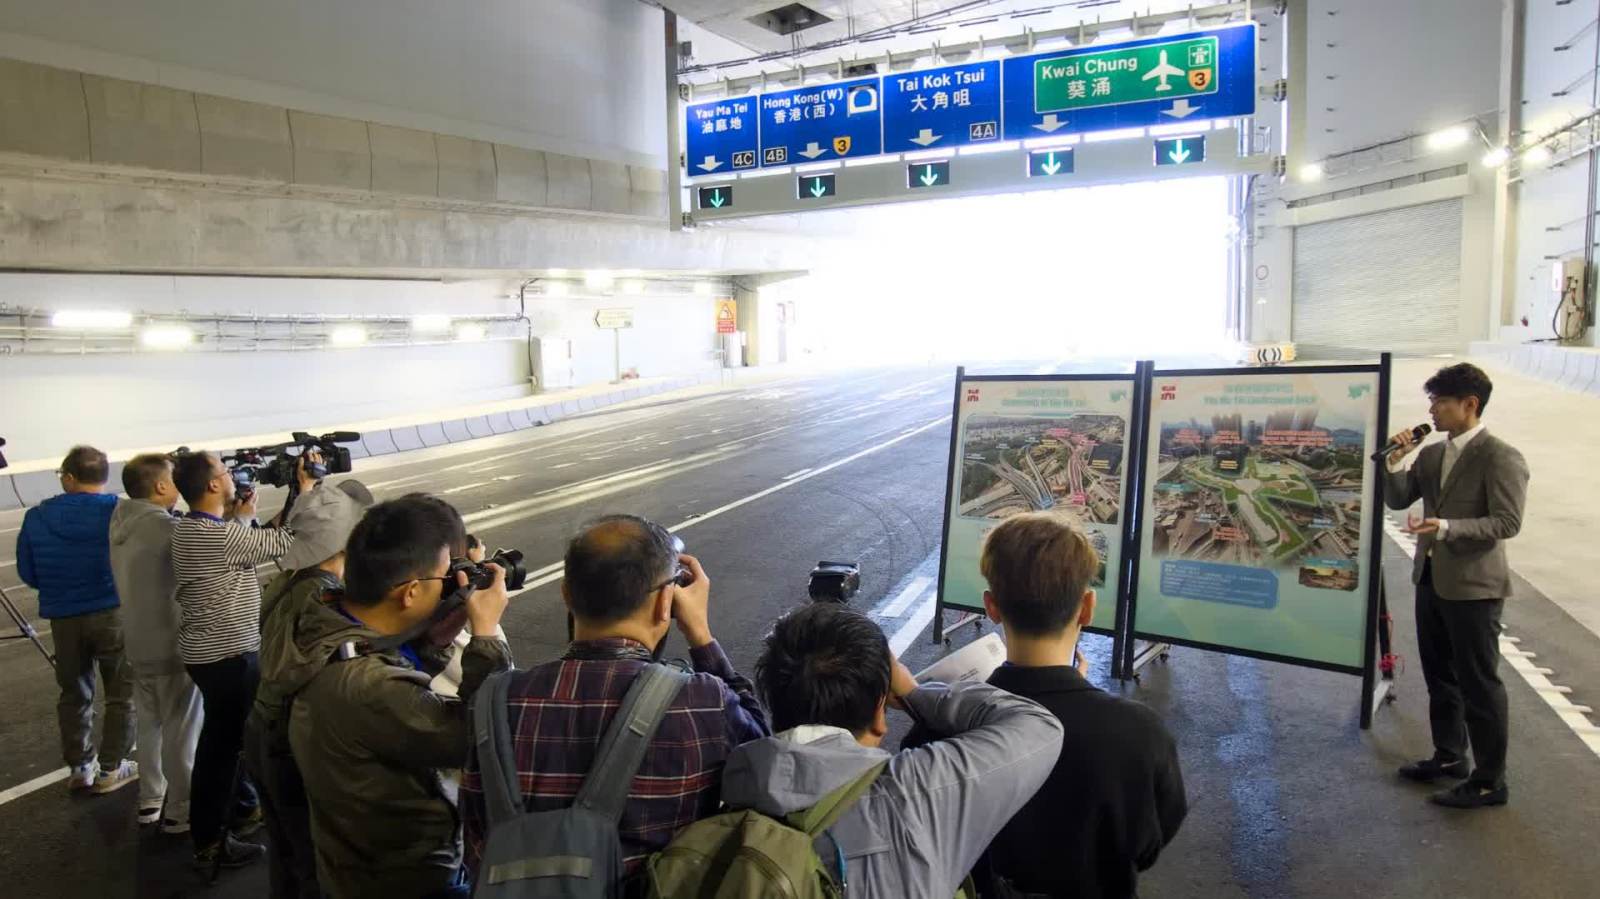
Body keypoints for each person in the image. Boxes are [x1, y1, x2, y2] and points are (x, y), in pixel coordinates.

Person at [460, 514, 770, 885]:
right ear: (666, 603)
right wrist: (701, 635)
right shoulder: (703, 701)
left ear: (566, 595)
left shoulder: (493, 701)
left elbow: (473, 828)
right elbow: (764, 760)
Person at [719, 602, 1064, 899]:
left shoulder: (729, 796)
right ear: (878, 716)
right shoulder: (916, 793)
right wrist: (913, 691)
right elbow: (1038, 725)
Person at [287, 494, 513, 899]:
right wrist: (486, 634)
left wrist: (436, 640)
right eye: (445, 578)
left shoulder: (327, 621)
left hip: (352, 860)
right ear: (410, 592)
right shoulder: (367, 686)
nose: (452, 587)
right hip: (403, 877)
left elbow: (392, 667)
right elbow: (480, 737)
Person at [967, 511, 1186, 898]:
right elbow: (1148, 844)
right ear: (1086, 607)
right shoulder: (1139, 733)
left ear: (992, 607)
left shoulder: (947, 727)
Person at [1385, 362, 1529, 809]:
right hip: (1430, 579)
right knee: (1440, 677)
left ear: (1470, 405)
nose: (1433, 409)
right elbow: (1396, 497)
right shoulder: (1431, 454)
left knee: (1479, 684)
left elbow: (1507, 522)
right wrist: (1393, 461)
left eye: (1441, 401)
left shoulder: (1500, 457)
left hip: (1474, 587)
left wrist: (1446, 527)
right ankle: (1450, 758)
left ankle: (1490, 780)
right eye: (1432, 400)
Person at [170, 450, 302, 869]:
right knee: (222, 750)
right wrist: (304, 489)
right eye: (226, 472)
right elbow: (285, 540)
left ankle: (239, 813)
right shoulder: (221, 537)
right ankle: (211, 841)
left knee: (223, 744)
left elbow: (246, 539)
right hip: (230, 657)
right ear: (212, 485)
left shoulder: (192, 528)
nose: (232, 476)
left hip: (208, 654)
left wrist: (245, 517)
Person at [248, 479, 376, 899]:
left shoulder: (287, 582)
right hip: (290, 739)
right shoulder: (322, 597)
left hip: (263, 727)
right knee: (312, 857)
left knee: (284, 852)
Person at [16, 445, 138, 795]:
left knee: (73, 693)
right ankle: (112, 768)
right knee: (121, 693)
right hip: (112, 612)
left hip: (64, 617)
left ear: (69, 477)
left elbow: (28, 569)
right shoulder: (118, 511)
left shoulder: (38, 516)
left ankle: (80, 766)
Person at [109, 453, 203, 832]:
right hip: (171, 643)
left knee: (149, 724)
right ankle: (182, 809)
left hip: (137, 640)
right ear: (162, 486)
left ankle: (151, 798)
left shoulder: (122, 524)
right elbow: (211, 553)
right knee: (182, 729)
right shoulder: (166, 529)